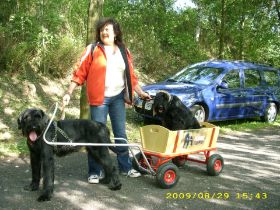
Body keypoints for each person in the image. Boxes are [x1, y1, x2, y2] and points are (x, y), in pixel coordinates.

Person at [62, 17, 151, 184]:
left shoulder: (124, 51)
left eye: (107, 29)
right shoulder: (93, 49)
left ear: (115, 32)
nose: (104, 32)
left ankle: (125, 167)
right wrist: (69, 92)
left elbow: (131, 77)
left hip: (118, 98)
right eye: (101, 30)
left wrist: (140, 93)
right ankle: (95, 171)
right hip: (99, 99)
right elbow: (79, 72)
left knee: (120, 134)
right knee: (96, 135)